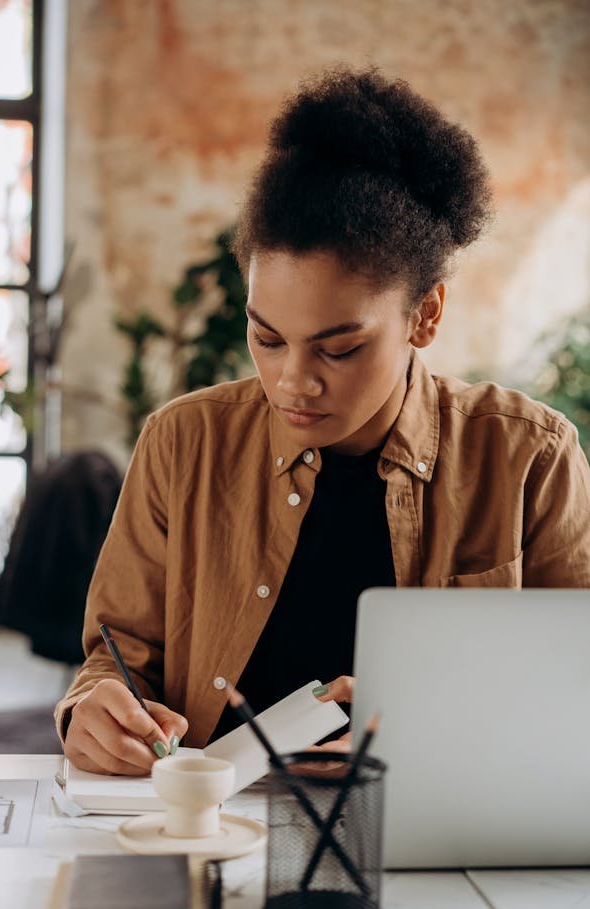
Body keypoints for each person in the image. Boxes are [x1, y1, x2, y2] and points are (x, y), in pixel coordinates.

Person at [56, 67, 590, 776]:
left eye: (339, 348)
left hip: (429, 825)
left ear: (424, 316)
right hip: (215, 826)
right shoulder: (184, 441)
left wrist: (434, 722)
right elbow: (116, 652)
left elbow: (571, 685)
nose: (291, 381)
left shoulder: (527, 456)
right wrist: (93, 707)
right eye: (266, 338)